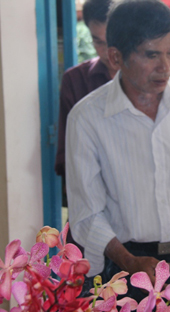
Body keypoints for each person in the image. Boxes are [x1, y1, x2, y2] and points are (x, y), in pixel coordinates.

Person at [66, 0, 170, 301]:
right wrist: (128, 262)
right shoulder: (87, 119)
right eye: (152, 55)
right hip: (126, 269)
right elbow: (87, 213)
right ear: (116, 56)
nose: (166, 67)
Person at [55, 0, 117, 179]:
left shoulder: (145, 79)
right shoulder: (75, 80)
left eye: (112, 42)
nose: (106, 52)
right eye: (98, 42)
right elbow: (67, 150)